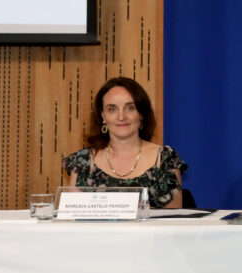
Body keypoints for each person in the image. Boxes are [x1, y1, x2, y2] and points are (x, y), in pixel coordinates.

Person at [62, 76, 187, 208]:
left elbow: (174, 217)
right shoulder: (82, 162)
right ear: (103, 115)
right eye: (112, 109)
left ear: (141, 113)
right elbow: (72, 217)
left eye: (129, 108)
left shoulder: (164, 159)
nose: (121, 117)